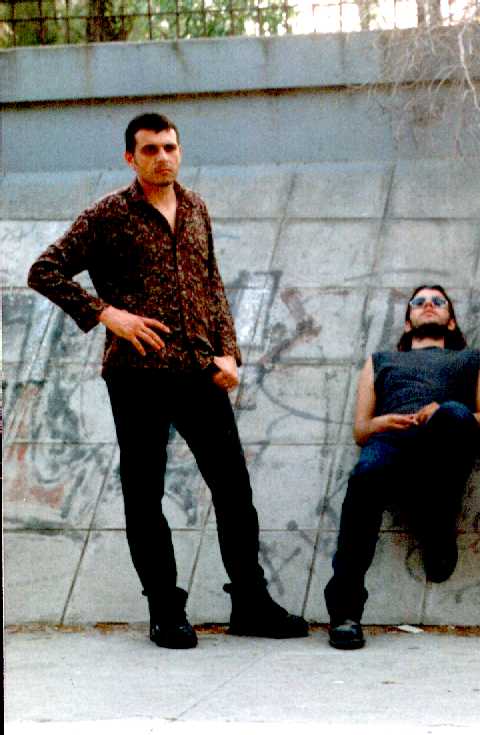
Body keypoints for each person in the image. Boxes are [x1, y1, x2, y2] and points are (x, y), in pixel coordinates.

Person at [26, 112, 308, 649]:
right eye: (150, 149)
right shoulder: (108, 214)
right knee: (145, 494)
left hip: (199, 371)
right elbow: (44, 270)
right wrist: (107, 314)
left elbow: (211, 282)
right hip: (137, 374)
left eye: (170, 147)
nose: (163, 157)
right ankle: (164, 609)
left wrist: (229, 353)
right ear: (130, 157)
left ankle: (250, 603)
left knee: (234, 489)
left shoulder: (196, 207)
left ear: (180, 151)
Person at [324, 285, 480, 650]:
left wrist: (441, 409)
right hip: (391, 441)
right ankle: (345, 613)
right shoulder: (381, 360)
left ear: (451, 321)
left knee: (454, 413)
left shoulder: (473, 359)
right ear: (407, 322)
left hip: (444, 439)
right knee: (364, 477)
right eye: (419, 302)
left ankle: (437, 527)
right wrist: (383, 421)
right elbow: (361, 430)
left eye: (438, 302)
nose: (428, 305)